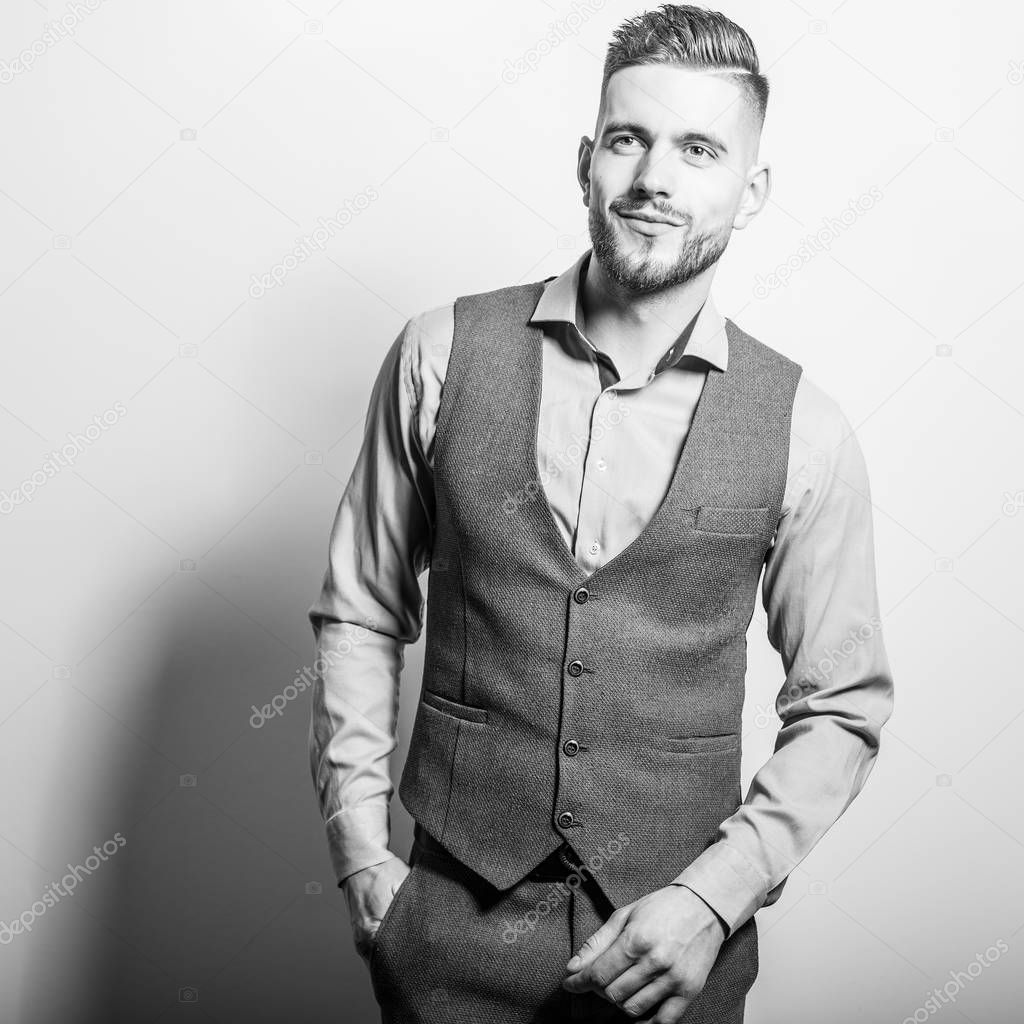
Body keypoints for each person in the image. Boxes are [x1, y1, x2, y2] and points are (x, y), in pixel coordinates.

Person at [307, 5, 895, 1022]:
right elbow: (360, 612)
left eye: (699, 149)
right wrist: (363, 855)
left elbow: (842, 704)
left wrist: (712, 902)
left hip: (673, 957)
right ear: (587, 160)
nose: (654, 178)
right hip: (443, 936)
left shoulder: (805, 425)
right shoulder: (441, 353)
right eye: (629, 139)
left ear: (750, 191)